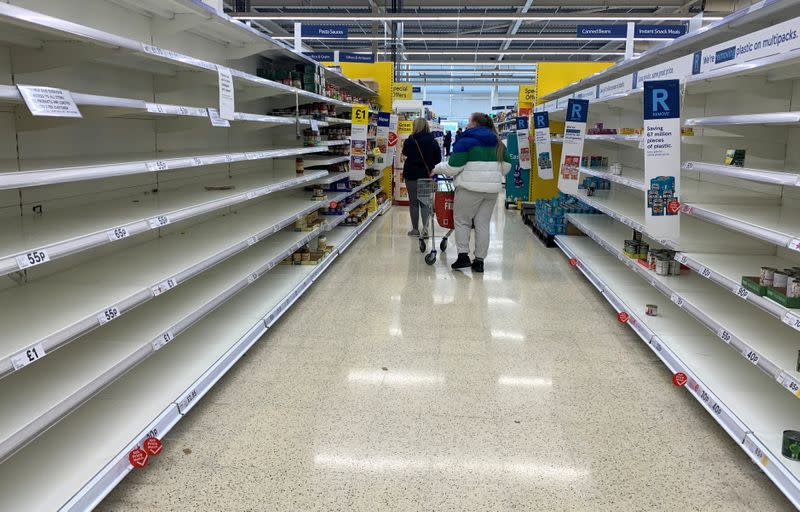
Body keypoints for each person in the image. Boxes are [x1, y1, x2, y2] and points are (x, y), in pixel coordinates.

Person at [434, 112, 511, 273]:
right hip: (490, 192)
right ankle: (479, 261)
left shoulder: (466, 142)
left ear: (475, 124)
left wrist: (436, 168)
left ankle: (463, 257)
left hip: (469, 190)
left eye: (469, 121)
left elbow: (452, 168)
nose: (467, 124)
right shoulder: (498, 143)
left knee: (462, 221)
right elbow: (506, 168)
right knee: (482, 224)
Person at [402, 117, 442, 237]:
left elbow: (405, 153)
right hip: (425, 175)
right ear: (426, 126)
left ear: (415, 126)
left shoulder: (410, 140)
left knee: (413, 203)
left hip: (411, 175)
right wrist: (430, 164)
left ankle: (415, 230)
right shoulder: (433, 141)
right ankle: (425, 230)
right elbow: (438, 158)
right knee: (425, 203)